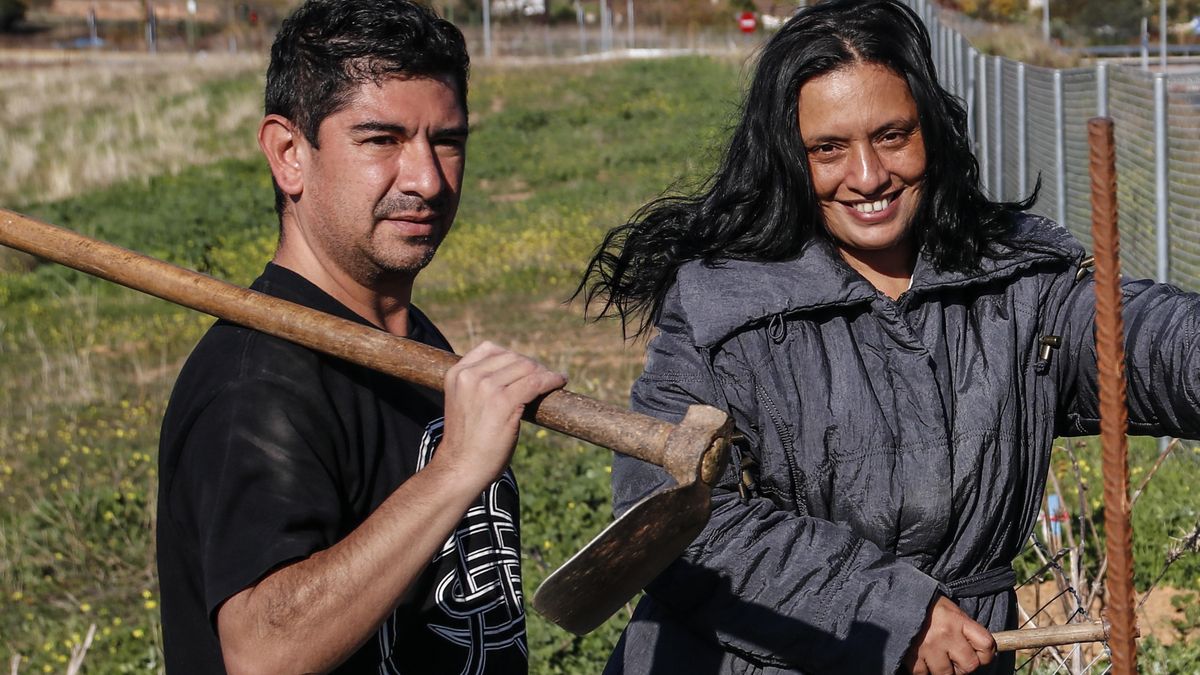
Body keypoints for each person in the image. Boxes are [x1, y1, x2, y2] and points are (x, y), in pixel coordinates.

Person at [579, 0, 1200, 673]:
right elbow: (673, 528)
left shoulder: (1011, 282)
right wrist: (893, 613)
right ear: (790, 154)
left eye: (892, 135)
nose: (869, 176)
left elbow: (1150, 339)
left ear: (929, 129)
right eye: (829, 148)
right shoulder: (721, 307)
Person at [156, 1, 566, 672]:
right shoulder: (256, 379)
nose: (428, 179)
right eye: (382, 139)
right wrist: (456, 470)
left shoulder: (411, 341)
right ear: (289, 154)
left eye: (448, 140)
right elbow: (264, 650)